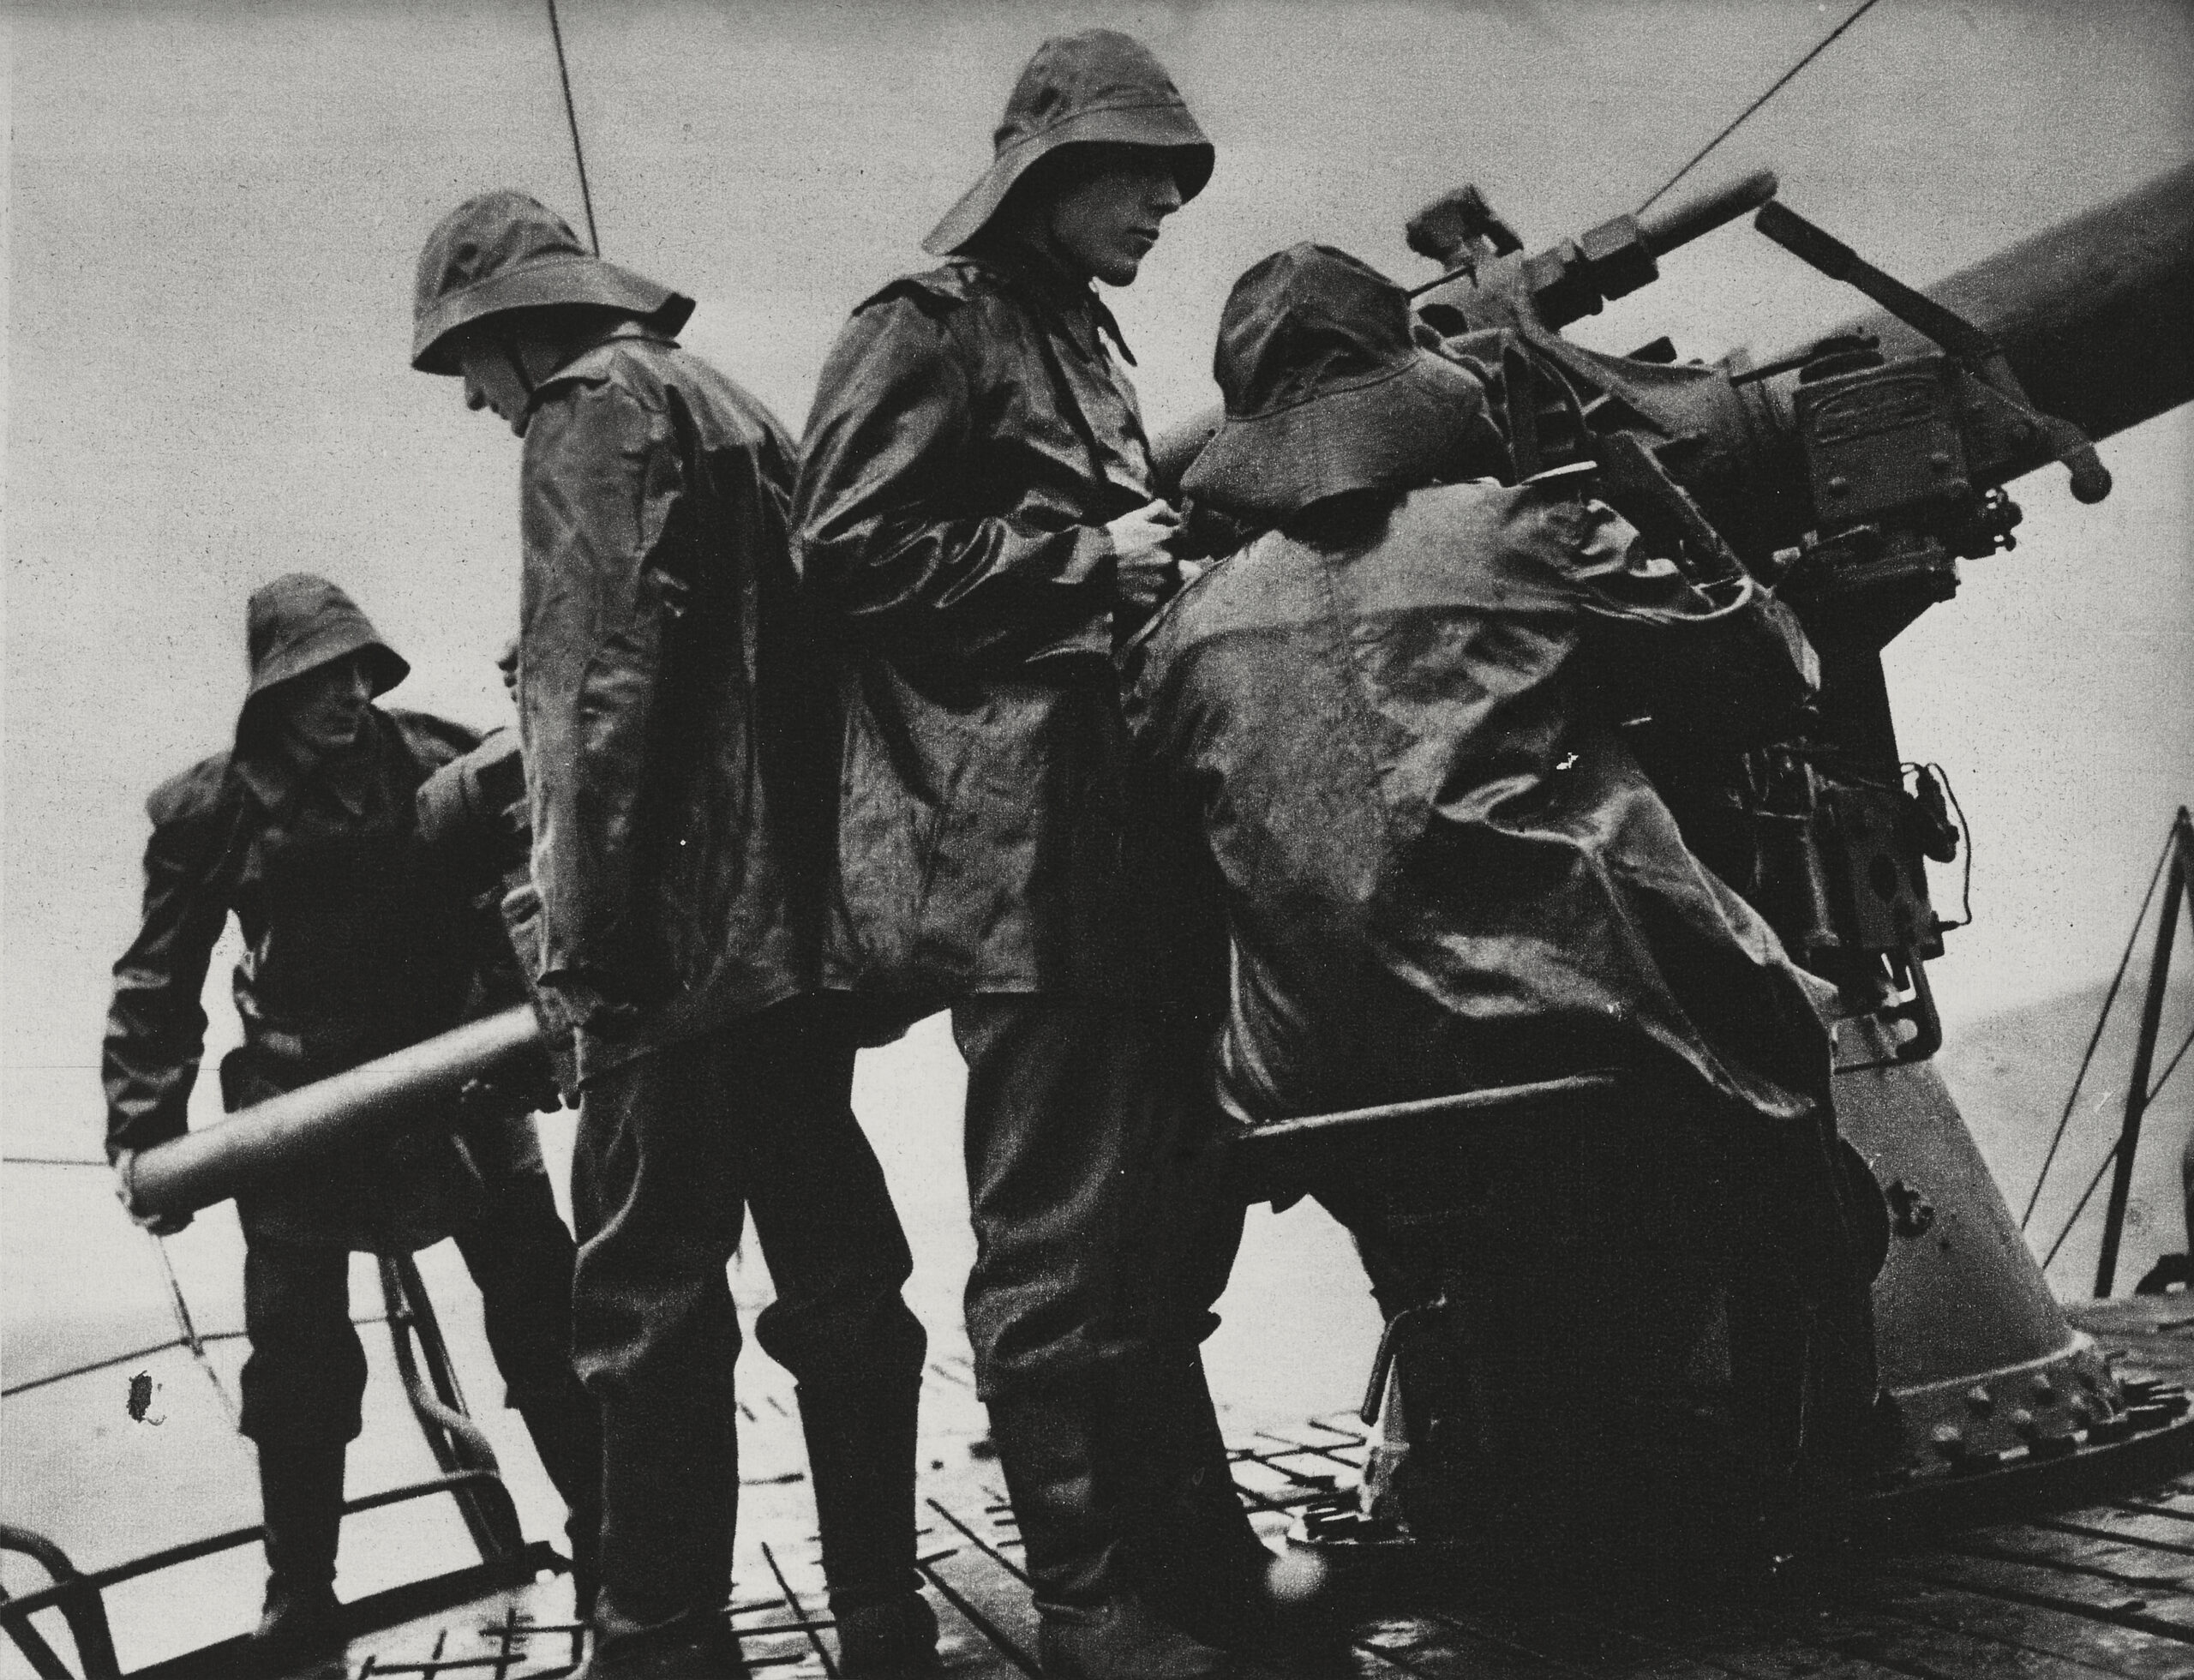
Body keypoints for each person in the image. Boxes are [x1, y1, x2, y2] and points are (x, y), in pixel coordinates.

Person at [1121, 244, 1882, 1576]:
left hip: (1310, 1077)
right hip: (1577, 1012)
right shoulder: (1529, 530)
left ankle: (1489, 1459)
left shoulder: (1182, 633)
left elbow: (1154, 824)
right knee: (1786, 1103)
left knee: (1430, 1199)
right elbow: (1769, 677)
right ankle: (1811, 1489)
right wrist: (1657, 509)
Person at [794, 30, 1276, 1680]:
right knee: (1057, 1233)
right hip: (1014, 855)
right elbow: (843, 551)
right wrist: (1082, 560)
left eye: (1175, 179)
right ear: (1049, 175)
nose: (1164, 204)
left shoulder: (1083, 336)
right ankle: (1082, 1605)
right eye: (1138, 173)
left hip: (1120, 830)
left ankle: (1187, 1555)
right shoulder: (923, 326)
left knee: (1159, 1218)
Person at [411, 191, 931, 1680]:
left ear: (517, 332)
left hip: (674, 948)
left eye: (468, 363)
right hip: (797, 934)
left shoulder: (585, 411)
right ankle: (884, 1615)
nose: (474, 400)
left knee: (644, 1304)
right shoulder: (726, 403)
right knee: (840, 1275)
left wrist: (579, 947)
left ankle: (662, 1643)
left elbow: (597, 692)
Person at [102, 573, 602, 1674]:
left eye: (355, 671)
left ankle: (610, 1535)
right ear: (273, 691)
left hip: (456, 1074)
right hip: (300, 1102)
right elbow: (157, 979)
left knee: (541, 1303)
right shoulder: (213, 808)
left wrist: (526, 1027)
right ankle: (301, 1593)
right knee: (296, 1359)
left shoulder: (440, 759)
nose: (343, 695)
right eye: (317, 677)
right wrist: (144, 1132)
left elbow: (527, 883)